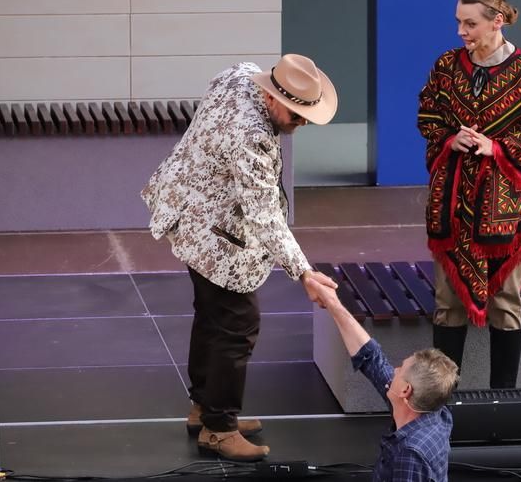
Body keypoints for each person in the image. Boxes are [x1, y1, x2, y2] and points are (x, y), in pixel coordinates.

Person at [141, 54, 339, 461]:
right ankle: (219, 429)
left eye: (307, 115)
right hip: (211, 233)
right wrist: (304, 272)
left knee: (212, 316)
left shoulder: (240, 74)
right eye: (296, 115)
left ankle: (205, 408)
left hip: (190, 207)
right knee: (237, 323)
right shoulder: (251, 137)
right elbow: (263, 215)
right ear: (270, 97)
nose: (301, 124)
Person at [418, 0, 521, 389]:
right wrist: (450, 138)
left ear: (496, 21)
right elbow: (428, 115)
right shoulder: (447, 67)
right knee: (448, 304)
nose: (461, 32)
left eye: (470, 24)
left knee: (505, 303)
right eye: (458, 22)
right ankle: (443, 400)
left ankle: (505, 402)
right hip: (452, 205)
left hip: (506, 212)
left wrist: (498, 147)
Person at [305, 278, 458, 482]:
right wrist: (332, 303)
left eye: (400, 369)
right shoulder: (432, 409)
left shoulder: (411, 453)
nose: (394, 370)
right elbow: (371, 357)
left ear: (405, 390)